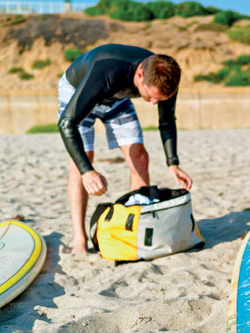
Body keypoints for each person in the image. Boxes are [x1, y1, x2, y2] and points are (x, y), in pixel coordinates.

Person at [57, 44, 193, 253]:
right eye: (151, 96)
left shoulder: (165, 77)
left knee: (139, 156)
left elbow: (166, 121)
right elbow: (67, 124)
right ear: (140, 75)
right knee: (82, 160)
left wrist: (173, 163)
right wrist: (87, 171)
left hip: (115, 100)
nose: (154, 103)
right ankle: (79, 240)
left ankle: (138, 227)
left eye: (160, 99)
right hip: (79, 93)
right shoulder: (107, 70)